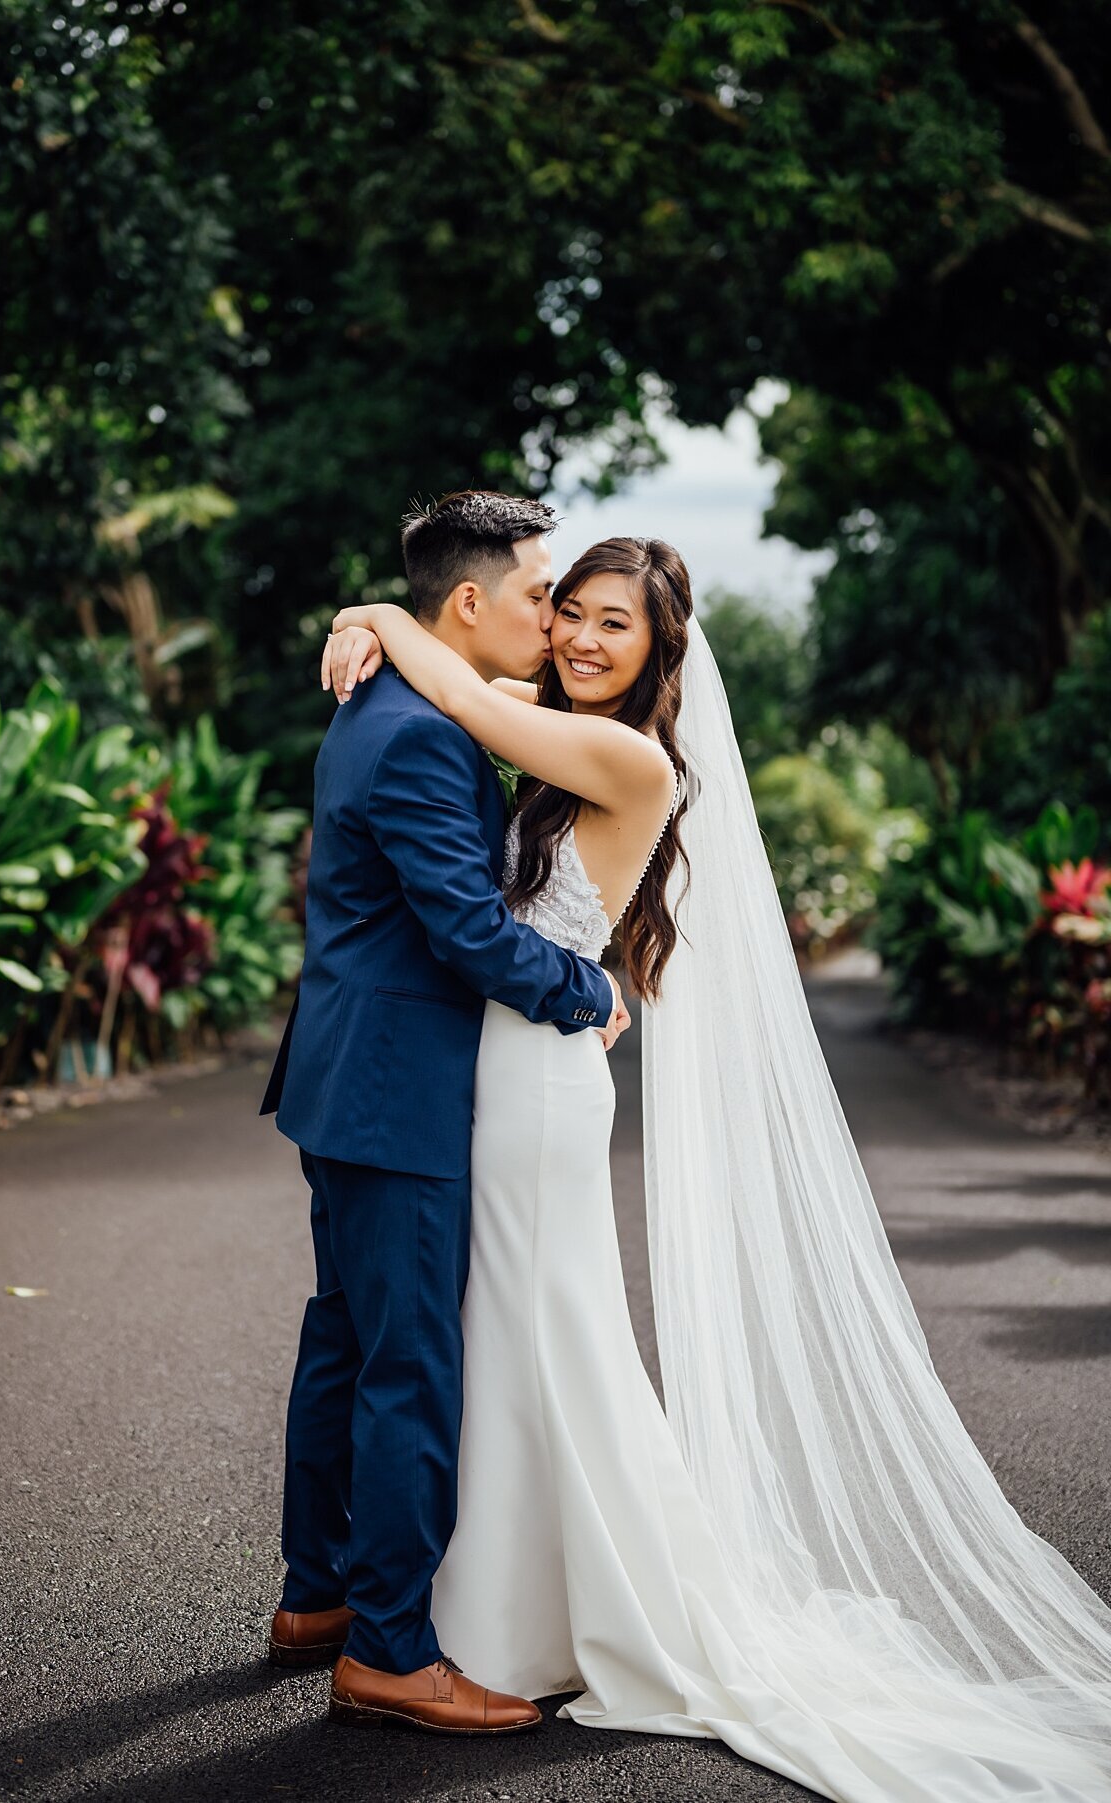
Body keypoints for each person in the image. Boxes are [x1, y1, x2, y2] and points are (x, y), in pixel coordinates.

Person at [325, 532, 1111, 1800]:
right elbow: (475, 679)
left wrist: (372, 608)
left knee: (543, 1336)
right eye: (568, 611)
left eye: (612, 626)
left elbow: (462, 689)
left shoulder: (627, 755)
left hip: (531, 1088)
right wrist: (387, 621)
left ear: (660, 652)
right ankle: (515, 1611)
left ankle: (555, 1620)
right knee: (520, 1339)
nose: (579, 638)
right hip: (516, 1069)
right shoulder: (565, 718)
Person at [259, 491, 629, 1736]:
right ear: (467, 602)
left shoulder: (391, 696)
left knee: (348, 1341)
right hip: (398, 1089)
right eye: (540, 594)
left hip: (344, 1076)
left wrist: (368, 611)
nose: (554, 616)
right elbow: (467, 933)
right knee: (409, 1363)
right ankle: (392, 1650)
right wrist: (587, 987)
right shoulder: (423, 730)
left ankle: (318, 1598)